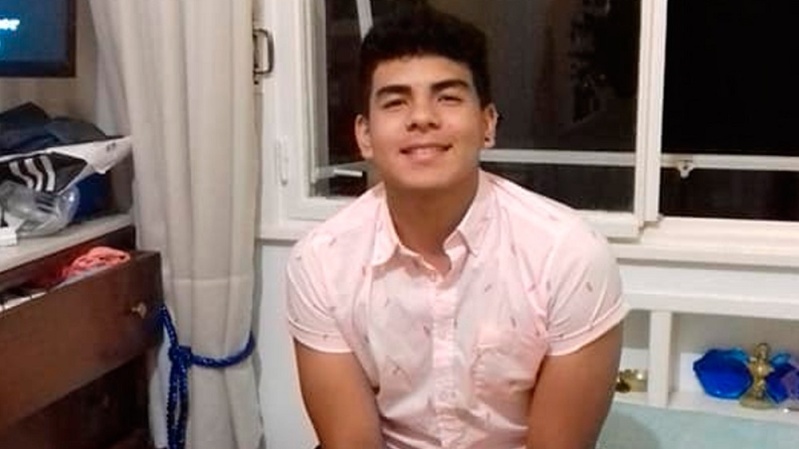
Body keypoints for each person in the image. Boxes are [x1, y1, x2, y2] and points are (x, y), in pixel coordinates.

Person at [285, 4, 628, 449]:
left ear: (487, 124)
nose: (422, 117)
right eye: (396, 101)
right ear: (365, 135)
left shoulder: (569, 256)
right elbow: (351, 442)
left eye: (447, 97)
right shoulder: (322, 262)